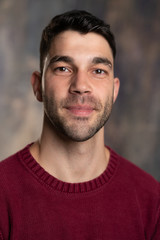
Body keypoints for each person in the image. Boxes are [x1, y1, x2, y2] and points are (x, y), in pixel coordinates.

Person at [0, 10, 159, 240]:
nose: (81, 85)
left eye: (98, 71)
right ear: (38, 86)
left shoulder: (151, 202)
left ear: (114, 90)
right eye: (63, 68)